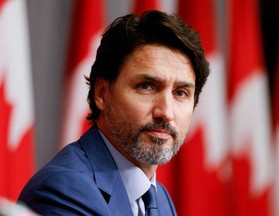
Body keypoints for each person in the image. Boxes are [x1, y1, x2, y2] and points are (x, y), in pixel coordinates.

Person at [18, 10, 210, 215]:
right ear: (102, 93)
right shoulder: (63, 190)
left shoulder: (161, 200)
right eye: (146, 86)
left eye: (181, 93)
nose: (166, 112)